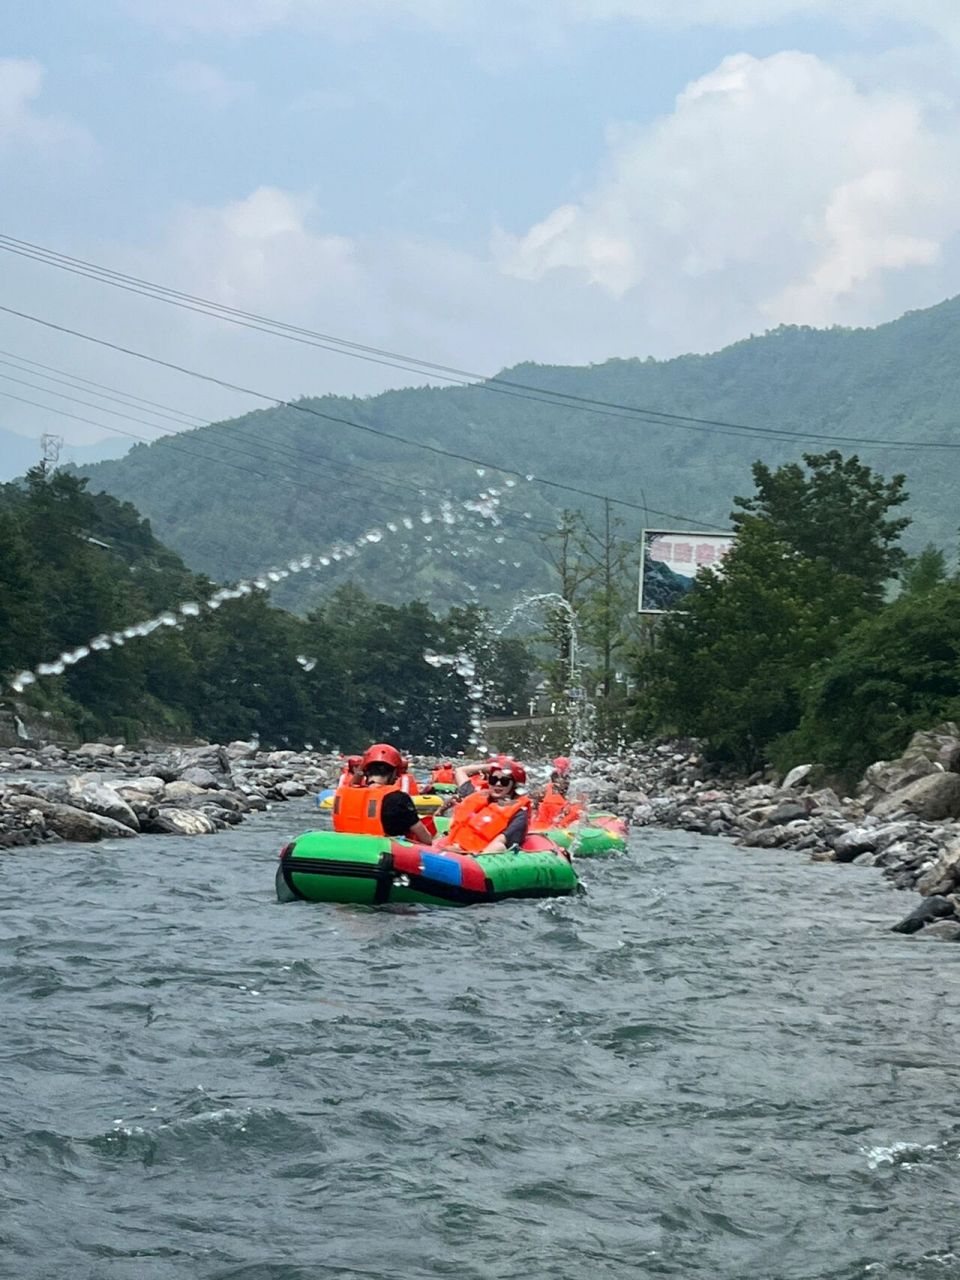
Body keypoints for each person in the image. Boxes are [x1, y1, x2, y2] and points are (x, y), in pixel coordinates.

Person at [332, 742, 434, 844]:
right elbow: (426, 840)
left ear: (366, 771)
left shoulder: (343, 793)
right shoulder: (399, 798)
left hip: (344, 846)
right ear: (393, 772)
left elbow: (354, 783)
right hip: (382, 852)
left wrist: (363, 767)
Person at [439, 757, 531, 853]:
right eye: (493, 779)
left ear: (514, 786)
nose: (498, 784)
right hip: (451, 848)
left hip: (477, 856)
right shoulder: (475, 795)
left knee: (499, 847)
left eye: (504, 781)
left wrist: (469, 855)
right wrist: (492, 766)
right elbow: (459, 771)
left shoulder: (519, 811)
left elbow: (501, 841)